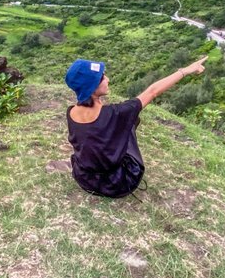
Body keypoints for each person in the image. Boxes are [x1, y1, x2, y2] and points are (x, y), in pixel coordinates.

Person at [65, 56, 208, 198]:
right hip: (118, 184)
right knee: (129, 122)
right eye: (102, 77)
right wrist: (186, 71)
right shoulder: (116, 113)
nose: (107, 79)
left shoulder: (71, 112)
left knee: (119, 125)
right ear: (93, 86)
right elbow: (153, 91)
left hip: (85, 179)